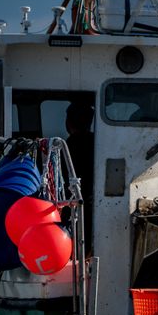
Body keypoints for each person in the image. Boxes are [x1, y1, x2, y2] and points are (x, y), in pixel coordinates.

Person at [65, 101, 95, 247]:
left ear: (68, 122)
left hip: (69, 206)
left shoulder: (64, 148)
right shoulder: (98, 144)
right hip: (93, 205)